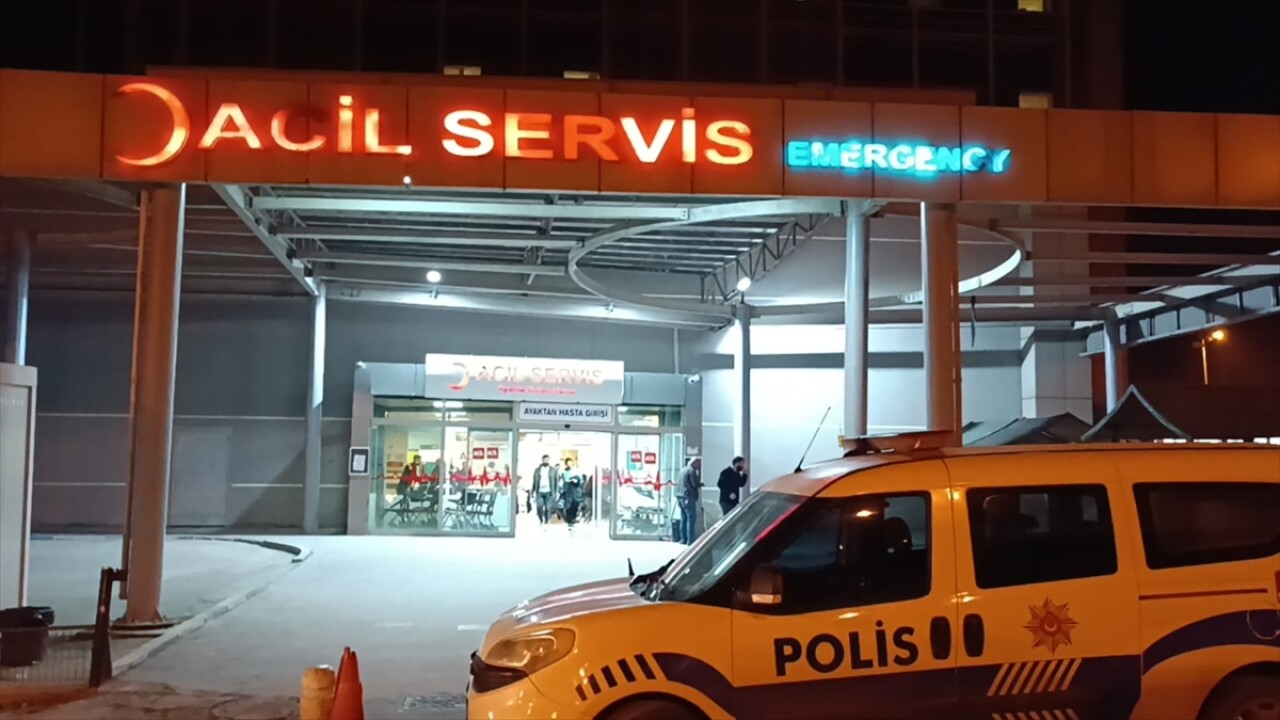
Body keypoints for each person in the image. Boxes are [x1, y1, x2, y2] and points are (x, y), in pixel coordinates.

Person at [676, 457, 702, 545]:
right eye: (698, 463)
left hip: (680, 496)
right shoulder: (691, 471)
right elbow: (694, 484)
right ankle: (690, 540)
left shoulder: (682, 470)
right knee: (691, 518)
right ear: (694, 463)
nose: (700, 465)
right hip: (688, 497)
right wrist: (700, 484)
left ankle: (683, 539)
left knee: (683, 518)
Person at [532, 455, 558, 525]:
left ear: (549, 460)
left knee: (548, 508)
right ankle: (541, 520)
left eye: (547, 460)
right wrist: (533, 491)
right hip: (540, 491)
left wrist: (557, 492)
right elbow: (534, 481)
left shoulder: (553, 470)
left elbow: (556, 481)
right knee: (539, 507)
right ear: (542, 460)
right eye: (544, 460)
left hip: (549, 492)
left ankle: (546, 521)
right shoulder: (537, 470)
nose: (546, 461)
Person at [560, 459, 583, 530]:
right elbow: (563, 481)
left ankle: (573, 518)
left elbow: (581, 480)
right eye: (568, 463)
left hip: (575, 490)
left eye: (570, 463)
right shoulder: (563, 472)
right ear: (566, 464)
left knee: (575, 504)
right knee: (568, 506)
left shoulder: (577, 471)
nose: (569, 464)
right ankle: (569, 521)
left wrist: (576, 480)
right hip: (568, 490)